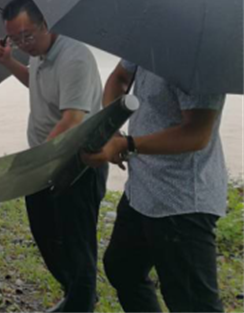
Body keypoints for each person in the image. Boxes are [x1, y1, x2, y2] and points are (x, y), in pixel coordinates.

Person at [0, 0, 106, 313]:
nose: (24, 44)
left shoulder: (73, 58)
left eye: (27, 36)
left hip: (76, 164)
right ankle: (75, 294)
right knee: (46, 233)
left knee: (76, 243)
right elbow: (35, 84)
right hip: (46, 163)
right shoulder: (40, 54)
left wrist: (36, 162)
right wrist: (10, 61)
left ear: (46, 23)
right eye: (15, 39)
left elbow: (71, 120)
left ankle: (81, 303)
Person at [84, 61, 227, 313]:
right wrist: (113, 128)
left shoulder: (200, 61)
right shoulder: (148, 43)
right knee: (122, 268)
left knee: (192, 303)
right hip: (141, 188)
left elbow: (197, 133)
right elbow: (119, 78)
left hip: (182, 200)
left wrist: (126, 144)